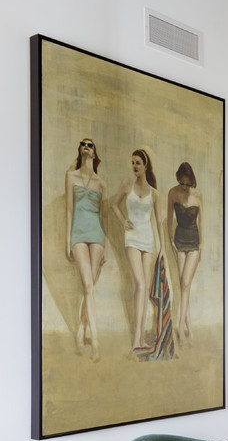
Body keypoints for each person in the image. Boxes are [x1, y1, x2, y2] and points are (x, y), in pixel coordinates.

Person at [111, 149, 165, 352]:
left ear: (145, 166)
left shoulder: (155, 193)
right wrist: (123, 221)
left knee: (144, 288)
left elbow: (158, 223)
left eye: (138, 163)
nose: (134, 166)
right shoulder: (127, 184)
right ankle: (136, 340)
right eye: (132, 162)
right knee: (140, 285)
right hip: (132, 239)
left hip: (148, 241)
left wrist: (162, 249)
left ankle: (141, 339)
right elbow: (114, 205)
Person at [65, 138, 108, 362]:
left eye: (90, 144)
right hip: (79, 234)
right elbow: (69, 210)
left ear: (94, 152)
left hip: (97, 235)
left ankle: (81, 329)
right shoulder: (71, 176)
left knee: (89, 287)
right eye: (83, 143)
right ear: (79, 149)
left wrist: (106, 244)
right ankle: (96, 340)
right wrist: (67, 240)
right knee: (88, 285)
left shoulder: (101, 183)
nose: (86, 146)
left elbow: (103, 216)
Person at [166, 161, 203, 342]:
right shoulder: (172, 193)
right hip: (179, 241)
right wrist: (170, 240)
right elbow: (168, 220)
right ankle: (188, 325)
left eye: (188, 184)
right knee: (183, 285)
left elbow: (201, 221)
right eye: (182, 183)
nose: (185, 187)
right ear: (178, 179)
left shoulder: (197, 195)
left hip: (194, 242)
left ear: (192, 182)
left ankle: (180, 326)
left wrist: (202, 244)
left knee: (186, 282)